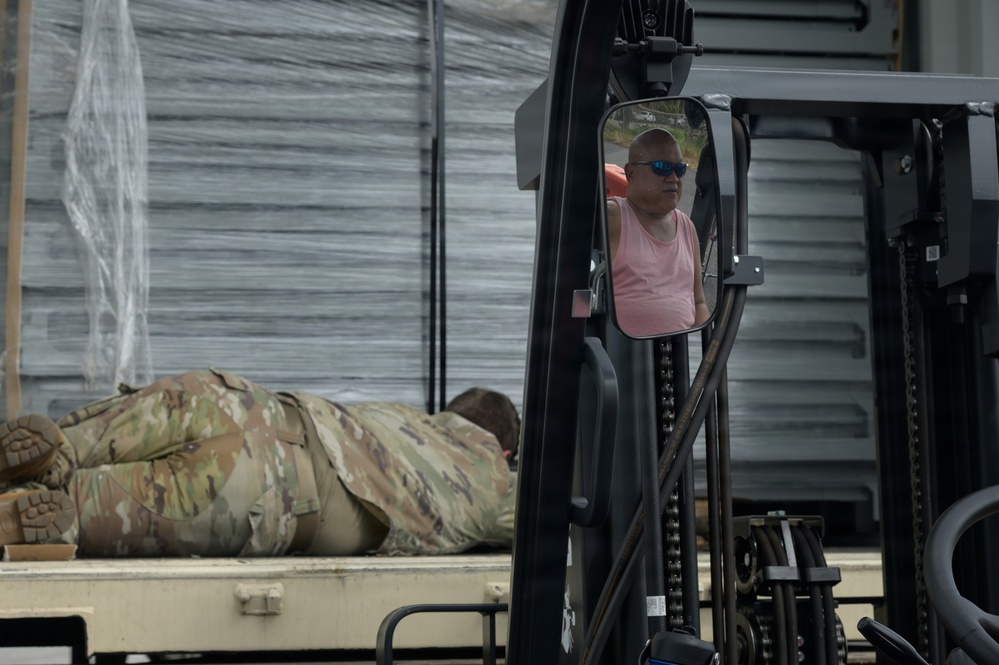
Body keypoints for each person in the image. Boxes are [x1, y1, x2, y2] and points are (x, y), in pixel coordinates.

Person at [0, 369, 519, 558]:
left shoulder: (407, 420)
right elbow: (562, 509)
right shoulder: (494, 480)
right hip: (271, 489)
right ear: (507, 452)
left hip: (241, 401)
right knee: (77, 513)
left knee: (81, 445)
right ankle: (54, 509)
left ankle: (60, 452)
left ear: (449, 414)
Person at [607, 128, 710, 336]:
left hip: (679, 358)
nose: (674, 178)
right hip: (625, 361)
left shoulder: (687, 227)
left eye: (680, 169)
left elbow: (698, 301)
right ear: (631, 173)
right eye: (662, 168)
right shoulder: (613, 217)